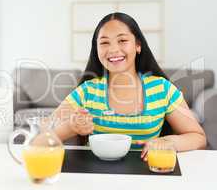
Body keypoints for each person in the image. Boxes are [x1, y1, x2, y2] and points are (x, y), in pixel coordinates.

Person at [50, 12, 206, 160]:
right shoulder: (87, 91)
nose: (113, 49)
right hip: (96, 176)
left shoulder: (163, 89)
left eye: (122, 40)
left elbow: (198, 137)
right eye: (104, 42)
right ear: (96, 50)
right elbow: (42, 136)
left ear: (138, 45)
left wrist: (171, 142)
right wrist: (70, 127)